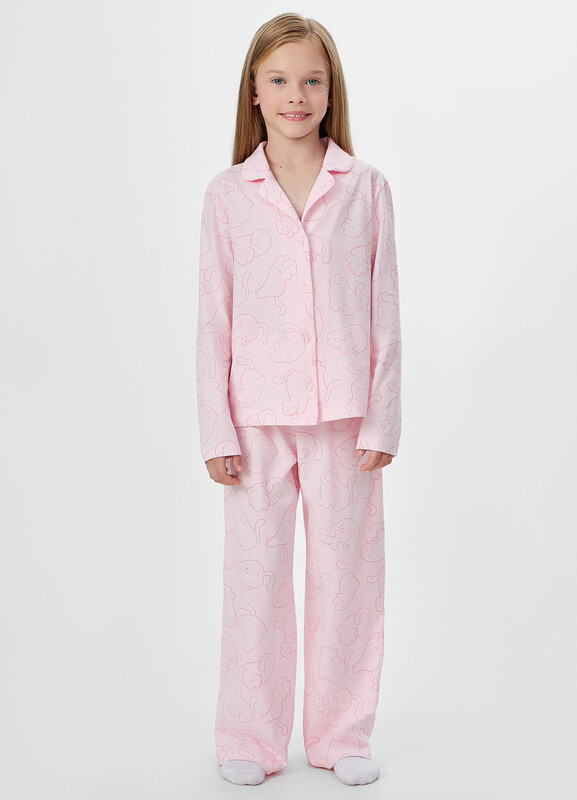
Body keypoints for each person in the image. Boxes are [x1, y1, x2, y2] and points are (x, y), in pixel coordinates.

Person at [196, 12, 402, 787]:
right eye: (279, 80)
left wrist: (384, 418)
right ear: (253, 90)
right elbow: (212, 320)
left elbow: (385, 311)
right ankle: (249, 739)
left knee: (347, 580)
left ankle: (341, 733)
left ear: (331, 89)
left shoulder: (365, 188)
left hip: (346, 419)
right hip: (254, 422)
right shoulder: (227, 195)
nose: (296, 95)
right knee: (256, 584)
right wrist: (215, 429)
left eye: (312, 80)